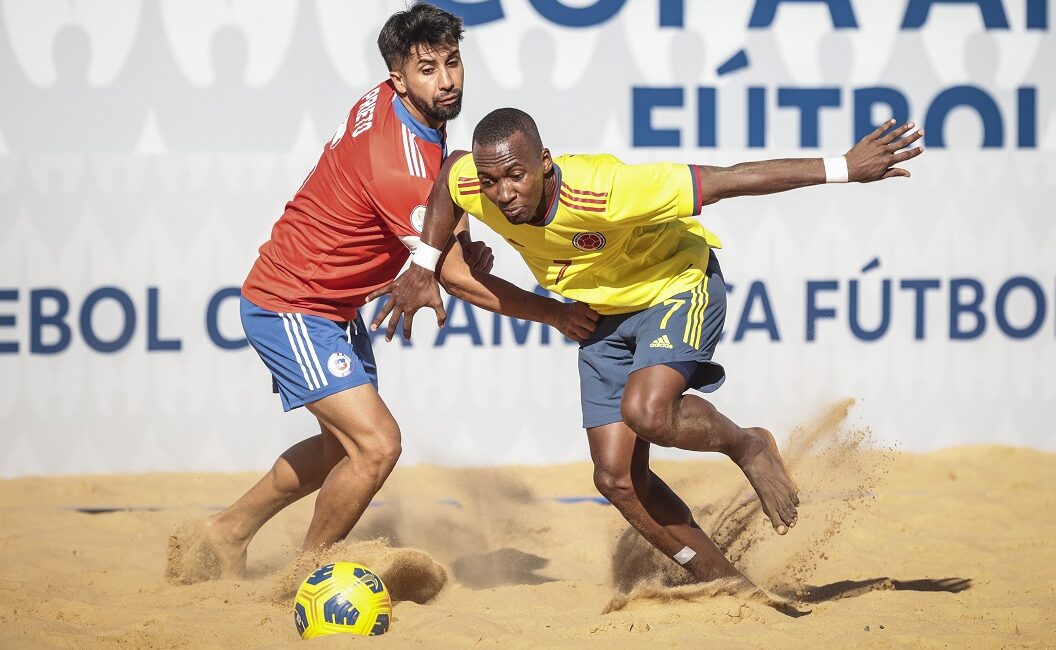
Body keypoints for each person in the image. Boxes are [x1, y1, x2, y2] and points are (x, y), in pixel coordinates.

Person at [371, 107, 924, 586]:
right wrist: (424, 263)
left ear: (544, 162)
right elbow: (449, 176)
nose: (502, 193)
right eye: (492, 182)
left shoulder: (607, 190)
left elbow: (729, 178)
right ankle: (728, 587)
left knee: (648, 412)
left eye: (515, 176)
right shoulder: (477, 178)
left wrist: (843, 169)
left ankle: (748, 446)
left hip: (675, 285)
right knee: (615, 479)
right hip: (600, 316)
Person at [167, 9, 597, 584]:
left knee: (339, 452)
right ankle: (306, 575)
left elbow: (444, 185)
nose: (447, 80)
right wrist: (555, 313)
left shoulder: (406, 107)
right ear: (398, 78)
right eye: (428, 69)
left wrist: (459, 233)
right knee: (377, 447)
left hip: (332, 305)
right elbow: (456, 275)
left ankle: (227, 533)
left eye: (452, 62)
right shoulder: (396, 160)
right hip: (291, 302)